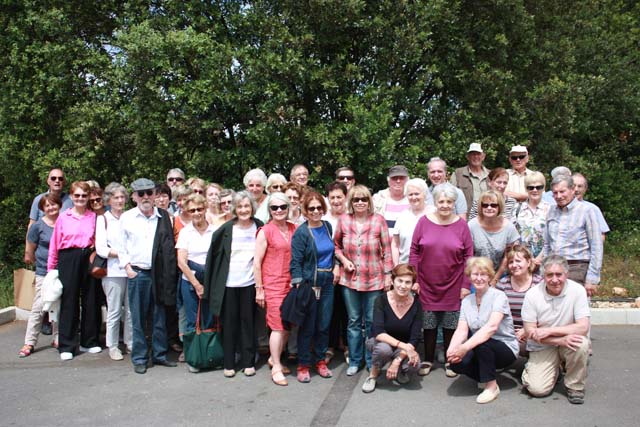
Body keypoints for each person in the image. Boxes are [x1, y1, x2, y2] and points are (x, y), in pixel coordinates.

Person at [409, 183, 473, 377]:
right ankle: (427, 359)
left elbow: (469, 256)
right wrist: (415, 279)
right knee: (428, 324)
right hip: (426, 284)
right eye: (441, 201)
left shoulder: (462, 225)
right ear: (435, 202)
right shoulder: (423, 222)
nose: (445, 205)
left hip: (453, 284)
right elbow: (414, 252)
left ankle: (449, 359)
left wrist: (465, 285)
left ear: (454, 203)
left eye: (449, 201)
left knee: (450, 325)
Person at [120, 178, 178, 374]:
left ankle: (160, 354)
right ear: (134, 196)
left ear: (154, 194)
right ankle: (139, 358)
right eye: (141, 193)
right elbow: (120, 247)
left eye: (149, 193)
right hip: (138, 273)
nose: (146, 197)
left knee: (159, 315)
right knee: (138, 317)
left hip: (159, 273)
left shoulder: (164, 216)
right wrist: (128, 268)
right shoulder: (127, 218)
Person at [335, 185, 393, 376]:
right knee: (353, 321)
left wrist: (387, 275)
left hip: (374, 279)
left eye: (364, 199)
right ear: (350, 202)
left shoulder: (379, 221)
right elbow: (335, 246)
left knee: (371, 321)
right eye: (356, 199)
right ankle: (354, 360)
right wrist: (344, 261)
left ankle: (371, 361)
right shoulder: (344, 220)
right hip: (350, 280)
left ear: (369, 201)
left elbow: (387, 250)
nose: (360, 202)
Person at [204, 191, 263, 378]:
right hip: (228, 284)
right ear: (234, 209)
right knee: (229, 324)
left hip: (249, 283)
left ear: (252, 208)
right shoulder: (225, 229)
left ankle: (248, 361)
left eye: (247, 206)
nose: (244, 210)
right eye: (240, 207)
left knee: (248, 323)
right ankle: (229, 362)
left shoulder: (259, 227)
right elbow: (212, 259)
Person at [447, 257, 519, 404]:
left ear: (490, 276)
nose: (479, 278)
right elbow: (461, 330)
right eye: (475, 274)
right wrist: (452, 349)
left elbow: (491, 327)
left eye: (483, 274)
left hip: (504, 347)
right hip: (480, 346)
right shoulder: (467, 301)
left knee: (482, 341)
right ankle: (484, 374)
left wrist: (465, 347)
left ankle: (491, 386)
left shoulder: (499, 296)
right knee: (456, 363)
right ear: (469, 276)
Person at [521, 255, 591, 404]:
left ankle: (575, 386)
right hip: (543, 345)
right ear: (542, 276)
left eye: (559, 274)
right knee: (537, 390)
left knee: (581, 344)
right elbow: (529, 331)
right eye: (549, 275)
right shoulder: (532, 295)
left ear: (566, 274)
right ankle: (555, 368)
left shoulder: (578, 291)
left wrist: (549, 330)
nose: (554, 279)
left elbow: (583, 327)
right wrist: (560, 339)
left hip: (567, 341)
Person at [47, 181, 100, 361]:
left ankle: (89, 341)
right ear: (71, 197)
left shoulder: (93, 217)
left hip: (88, 257)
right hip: (68, 258)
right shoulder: (63, 217)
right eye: (77, 195)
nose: (80, 199)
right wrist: (51, 268)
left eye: (84, 196)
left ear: (88, 197)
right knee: (69, 300)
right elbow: (54, 244)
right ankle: (67, 345)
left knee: (90, 299)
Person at [289, 191, 336, 383]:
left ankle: (320, 361)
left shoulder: (327, 226)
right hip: (309, 284)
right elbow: (296, 262)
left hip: (327, 283)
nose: (316, 211)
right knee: (307, 326)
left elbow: (333, 252)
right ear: (305, 211)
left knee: (324, 325)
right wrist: (299, 285)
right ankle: (303, 365)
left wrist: (338, 267)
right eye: (311, 208)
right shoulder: (301, 232)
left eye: (319, 207)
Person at [253, 192, 297, 386]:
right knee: (277, 326)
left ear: (288, 208)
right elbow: (256, 262)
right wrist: (259, 288)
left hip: (292, 283)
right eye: (274, 208)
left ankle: (274, 357)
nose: (279, 211)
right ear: (269, 210)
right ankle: (277, 367)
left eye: (283, 207)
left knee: (288, 324)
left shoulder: (294, 228)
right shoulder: (265, 231)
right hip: (272, 284)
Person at [361, 264, 422, 393]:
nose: (403, 286)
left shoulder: (417, 304)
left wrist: (398, 359)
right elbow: (378, 332)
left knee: (415, 365)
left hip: (403, 347)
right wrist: (405, 346)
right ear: (393, 280)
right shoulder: (381, 300)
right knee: (384, 349)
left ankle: (399, 368)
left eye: (407, 282)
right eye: (400, 280)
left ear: (412, 285)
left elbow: (415, 337)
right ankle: (373, 375)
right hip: (380, 342)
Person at [176, 193, 216, 373]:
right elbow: (181, 261)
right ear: (187, 212)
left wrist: (208, 283)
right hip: (190, 281)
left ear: (205, 208)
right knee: (192, 322)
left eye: (199, 209)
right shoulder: (185, 232)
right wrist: (196, 284)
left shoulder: (215, 231)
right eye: (192, 210)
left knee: (209, 320)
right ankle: (194, 358)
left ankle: (209, 356)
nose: (197, 213)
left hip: (210, 280)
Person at [543, 175, 602, 295]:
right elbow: (547, 244)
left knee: (575, 310)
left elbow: (596, 245)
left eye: (562, 191)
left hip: (577, 267)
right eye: (555, 193)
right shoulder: (551, 211)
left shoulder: (586, 211)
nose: (559, 196)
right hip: (554, 267)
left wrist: (592, 278)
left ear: (572, 190)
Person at [19, 194, 62, 357]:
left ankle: (57, 337)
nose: (51, 208)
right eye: (47, 206)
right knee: (38, 307)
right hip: (44, 271)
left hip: (62, 270)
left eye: (54, 205)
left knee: (58, 306)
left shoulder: (64, 222)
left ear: (59, 206)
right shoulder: (37, 226)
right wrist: (30, 258)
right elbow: (30, 247)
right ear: (43, 208)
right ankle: (29, 342)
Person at [95, 182, 132, 361]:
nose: (119, 200)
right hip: (112, 271)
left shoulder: (130, 217)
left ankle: (130, 342)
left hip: (131, 270)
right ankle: (113, 345)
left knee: (131, 310)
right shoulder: (103, 219)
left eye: (122, 197)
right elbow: (101, 248)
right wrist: (121, 254)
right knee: (114, 310)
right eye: (116, 197)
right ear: (108, 199)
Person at [496, 245, 543, 355]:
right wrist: (509, 333)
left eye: (518, 261)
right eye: (511, 262)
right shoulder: (502, 284)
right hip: (508, 333)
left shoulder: (540, 284)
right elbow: (497, 313)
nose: (514, 265)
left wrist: (526, 330)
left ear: (528, 262)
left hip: (534, 331)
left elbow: (547, 314)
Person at [468, 190, 520, 283]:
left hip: (501, 273)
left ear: (499, 207)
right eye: (485, 205)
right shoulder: (472, 226)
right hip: (477, 274)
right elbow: (469, 255)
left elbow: (508, 257)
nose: (489, 208)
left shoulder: (508, 227)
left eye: (493, 205)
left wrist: (495, 279)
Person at [322, 181, 349, 364]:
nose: (336, 200)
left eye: (339, 197)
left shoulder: (351, 216)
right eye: (333, 197)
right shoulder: (324, 218)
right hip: (328, 270)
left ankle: (348, 345)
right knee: (330, 310)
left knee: (348, 311)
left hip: (349, 269)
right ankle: (329, 346)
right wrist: (334, 266)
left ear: (345, 197)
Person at [392, 178, 434, 265]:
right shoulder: (402, 216)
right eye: (410, 194)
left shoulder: (434, 213)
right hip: (406, 267)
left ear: (424, 194)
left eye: (417, 194)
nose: (413, 197)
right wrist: (396, 266)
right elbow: (395, 244)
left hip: (430, 266)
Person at [515, 171, 551, 263]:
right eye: (530, 187)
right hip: (521, 261)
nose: (535, 190)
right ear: (526, 189)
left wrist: (539, 258)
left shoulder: (551, 209)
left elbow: (552, 237)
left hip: (544, 260)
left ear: (544, 188)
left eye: (539, 187)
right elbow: (513, 236)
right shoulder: (517, 209)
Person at [450, 143, 490, 214]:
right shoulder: (458, 174)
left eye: (478, 154)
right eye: (473, 154)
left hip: (488, 217)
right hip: (466, 218)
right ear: (468, 157)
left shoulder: (491, 175)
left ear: (483, 156)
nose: (475, 157)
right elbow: (450, 196)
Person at [372, 165, 411, 233]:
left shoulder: (413, 199)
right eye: (394, 178)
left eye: (401, 178)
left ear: (408, 180)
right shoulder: (378, 199)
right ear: (388, 180)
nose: (398, 181)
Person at [572, 173, 610, 241]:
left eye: (580, 186)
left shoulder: (593, 209)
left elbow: (601, 235)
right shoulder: (559, 208)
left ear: (585, 189)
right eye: (573, 186)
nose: (576, 189)